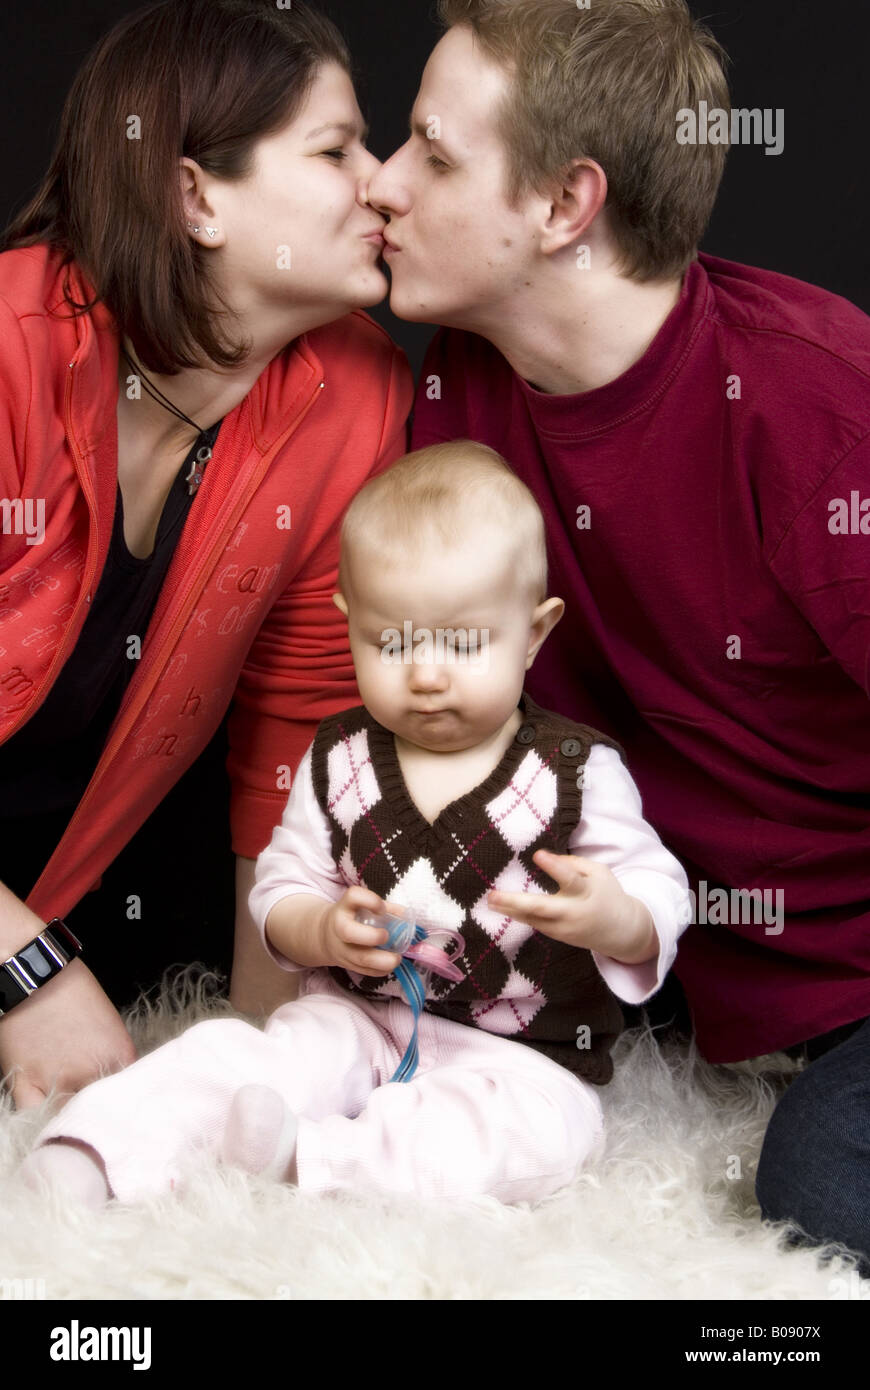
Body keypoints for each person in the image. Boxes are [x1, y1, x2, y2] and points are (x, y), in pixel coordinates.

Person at [365, 1, 870, 1269]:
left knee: (819, 1187)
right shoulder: (457, 399)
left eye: (431, 153)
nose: (381, 183)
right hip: (676, 968)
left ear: (563, 206)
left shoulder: (817, 408)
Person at [20, 442, 691, 1205]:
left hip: (521, 1056)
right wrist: (324, 931)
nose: (427, 673)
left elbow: (658, 888)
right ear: (351, 625)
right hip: (357, 1020)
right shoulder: (341, 758)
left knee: (532, 1137)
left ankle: (308, 1161)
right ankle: (94, 1152)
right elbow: (283, 888)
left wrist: (618, 916)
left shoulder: (576, 771)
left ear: (534, 633)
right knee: (238, 1056)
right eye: (392, 641)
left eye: (464, 642)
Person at [0, 0, 413, 1111]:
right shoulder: (7, 352)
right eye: (336, 150)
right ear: (195, 197)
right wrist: (22, 970)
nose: (381, 182)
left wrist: (264, 1070)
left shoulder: (356, 393)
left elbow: (292, 747)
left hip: (77, 899)